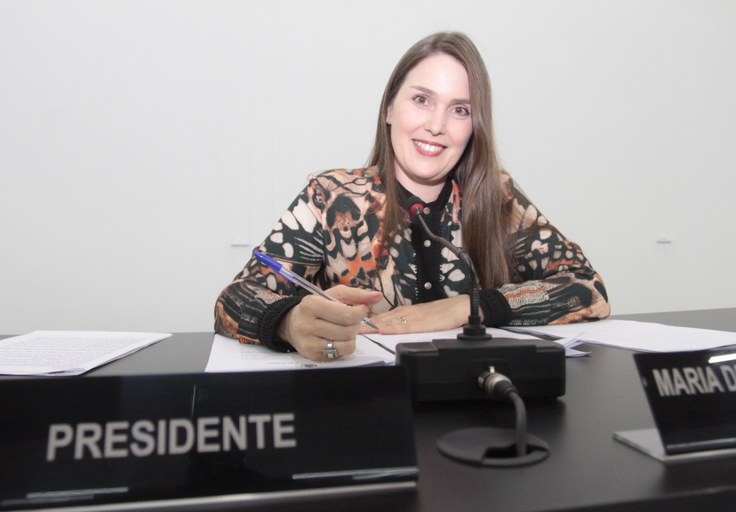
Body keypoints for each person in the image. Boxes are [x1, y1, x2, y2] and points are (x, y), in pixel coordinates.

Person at [215, 32, 610, 362]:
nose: (436, 125)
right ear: (389, 108)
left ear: (475, 126)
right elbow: (233, 299)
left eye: (460, 110)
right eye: (422, 100)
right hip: (365, 408)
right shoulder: (331, 197)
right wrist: (287, 322)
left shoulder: (496, 196)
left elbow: (588, 288)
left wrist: (467, 307)